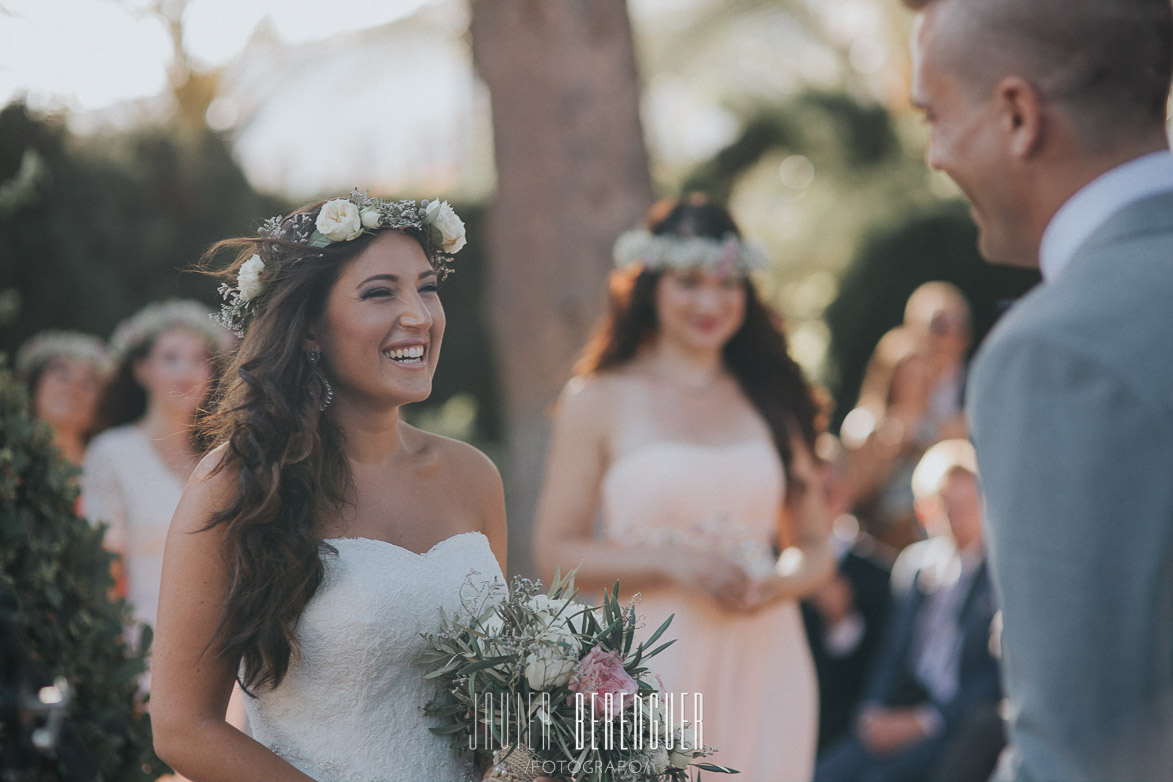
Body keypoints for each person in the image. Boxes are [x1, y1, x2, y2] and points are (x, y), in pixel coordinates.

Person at [149, 193, 510, 782]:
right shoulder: (237, 480)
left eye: (427, 287)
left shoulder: (474, 478)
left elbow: (495, 699)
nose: (419, 314)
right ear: (310, 328)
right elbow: (183, 728)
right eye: (380, 292)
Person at [906, 0, 1173, 778]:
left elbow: (1074, 752)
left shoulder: (1055, 353)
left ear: (1018, 115)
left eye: (934, 116)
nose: (933, 155)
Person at [534, 194, 833, 781]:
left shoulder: (772, 395)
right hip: (648, 664)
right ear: (650, 285)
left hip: (765, 656)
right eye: (689, 282)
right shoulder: (597, 399)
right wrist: (677, 565)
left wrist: (780, 580)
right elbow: (555, 555)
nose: (711, 302)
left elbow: (816, 546)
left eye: (727, 285)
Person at [814, 439, 1000, 782]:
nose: (957, 520)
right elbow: (892, 652)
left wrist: (927, 720)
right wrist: (872, 710)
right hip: (901, 707)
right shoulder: (915, 567)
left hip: (954, 723)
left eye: (967, 507)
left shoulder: (999, 576)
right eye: (947, 508)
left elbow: (993, 675)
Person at [82, 300, 229, 632]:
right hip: (144, 640)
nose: (187, 373)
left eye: (199, 359)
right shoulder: (112, 452)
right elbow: (102, 572)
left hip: (228, 645)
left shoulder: (225, 458)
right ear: (141, 369)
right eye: (171, 358)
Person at [15, 330, 110, 466]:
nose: (73, 390)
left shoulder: (109, 465)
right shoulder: (9, 455)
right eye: (62, 377)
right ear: (35, 385)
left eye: (86, 384)